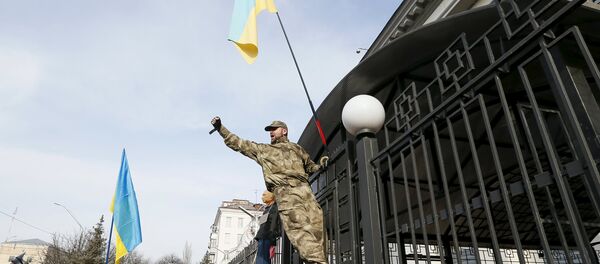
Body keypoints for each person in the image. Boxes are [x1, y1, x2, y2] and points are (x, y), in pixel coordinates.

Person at [211, 116, 328, 264]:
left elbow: (310, 167)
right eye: (269, 130)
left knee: (318, 230)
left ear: (284, 131)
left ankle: (321, 260)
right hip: (286, 193)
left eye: (274, 129)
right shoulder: (264, 150)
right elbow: (239, 143)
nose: (270, 132)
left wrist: (321, 165)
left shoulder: (297, 149)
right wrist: (221, 128)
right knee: (301, 230)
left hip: (306, 192)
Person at [255, 190, 280, 264]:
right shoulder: (266, 209)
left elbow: (274, 224)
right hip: (262, 238)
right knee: (260, 260)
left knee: (263, 261)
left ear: (271, 196)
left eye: (264, 195)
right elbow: (262, 224)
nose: (262, 197)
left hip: (267, 238)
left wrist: (272, 242)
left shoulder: (275, 208)